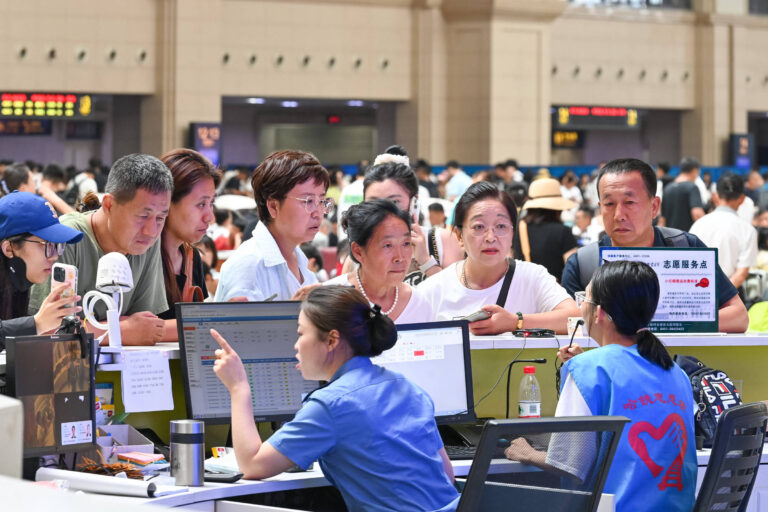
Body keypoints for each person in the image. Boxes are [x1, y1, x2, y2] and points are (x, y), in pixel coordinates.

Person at [210, 285, 459, 511]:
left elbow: (252, 465)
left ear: (331, 340)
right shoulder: (407, 387)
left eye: (300, 333)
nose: (296, 345)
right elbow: (445, 475)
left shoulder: (330, 405)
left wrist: (239, 387)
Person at [507, 260, 696, 512]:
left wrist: (528, 453)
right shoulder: (676, 372)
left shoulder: (590, 369)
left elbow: (568, 464)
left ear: (599, 313)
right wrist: (586, 364)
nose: (581, 306)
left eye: (584, 298)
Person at [561, 158, 749, 332]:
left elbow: (739, 316)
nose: (619, 214)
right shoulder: (583, 263)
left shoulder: (686, 249)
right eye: (609, 203)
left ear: (654, 207)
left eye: (629, 202)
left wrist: (662, 323)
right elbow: (569, 325)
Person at [29, 154, 174, 345]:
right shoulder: (66, 237)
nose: (151, 231)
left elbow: (146, 325)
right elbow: (47, 329)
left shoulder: (146, 242)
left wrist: (99, 328)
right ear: (109, 205)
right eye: (142, 216)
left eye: (160, 218)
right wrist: (121, 330)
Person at [418, 182, 578, 335]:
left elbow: (576, 318)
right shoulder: (433, 290)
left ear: (512, 232)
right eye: (479, 227)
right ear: (459, 235)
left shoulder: (533, 277)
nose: (490, 237)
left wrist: (516, 322)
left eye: (501, 226)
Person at [215, 150, 331, 302]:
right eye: (308, 201)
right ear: (273, 206)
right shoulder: (248, 265)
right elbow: (236, 326)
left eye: (322, 201)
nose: (318, 213)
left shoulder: (298, 257)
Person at [357, 159, 463, 285]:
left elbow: (456, 298)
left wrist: (426, 262)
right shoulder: (358, 249)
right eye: (373, 202)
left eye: (394, 202)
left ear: (414, 202)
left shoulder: (442, 240)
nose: (383, 210)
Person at [326, 200, 433, 325]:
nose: (400, 257)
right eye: (388, 245)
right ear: (358, 252)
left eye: (406, 243)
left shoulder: (419, 304)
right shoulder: (330, 300)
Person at [0, 192, 84, 349]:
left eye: (57, 246)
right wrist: (36, 323)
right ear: (9, 248)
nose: (54, 257)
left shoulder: (18, 281)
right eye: (46, 245)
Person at [158, 149, 222, 322]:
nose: (210, 216)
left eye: (211, 203)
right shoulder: (138, 259)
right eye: (201, 204)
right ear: (167, 203)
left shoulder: (192, 258)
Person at [690, 173, 757, 289]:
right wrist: (722, 296)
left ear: (715, 197)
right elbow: (741, 273)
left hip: (699, 291)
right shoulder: (747, 230)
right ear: (741, 199)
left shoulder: (699, 224)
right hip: (731, 295)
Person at [513, 178, 578, 282]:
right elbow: (573, 270)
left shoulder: (517, 230)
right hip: (555, 295)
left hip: (522, 292)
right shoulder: (563, 231)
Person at [659, 157, 705, 231]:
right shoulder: (692, 188)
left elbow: (662, 219)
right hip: (686, 237)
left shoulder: (668, 188)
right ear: (694, 170)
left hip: (670, 238)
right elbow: (697, 213)